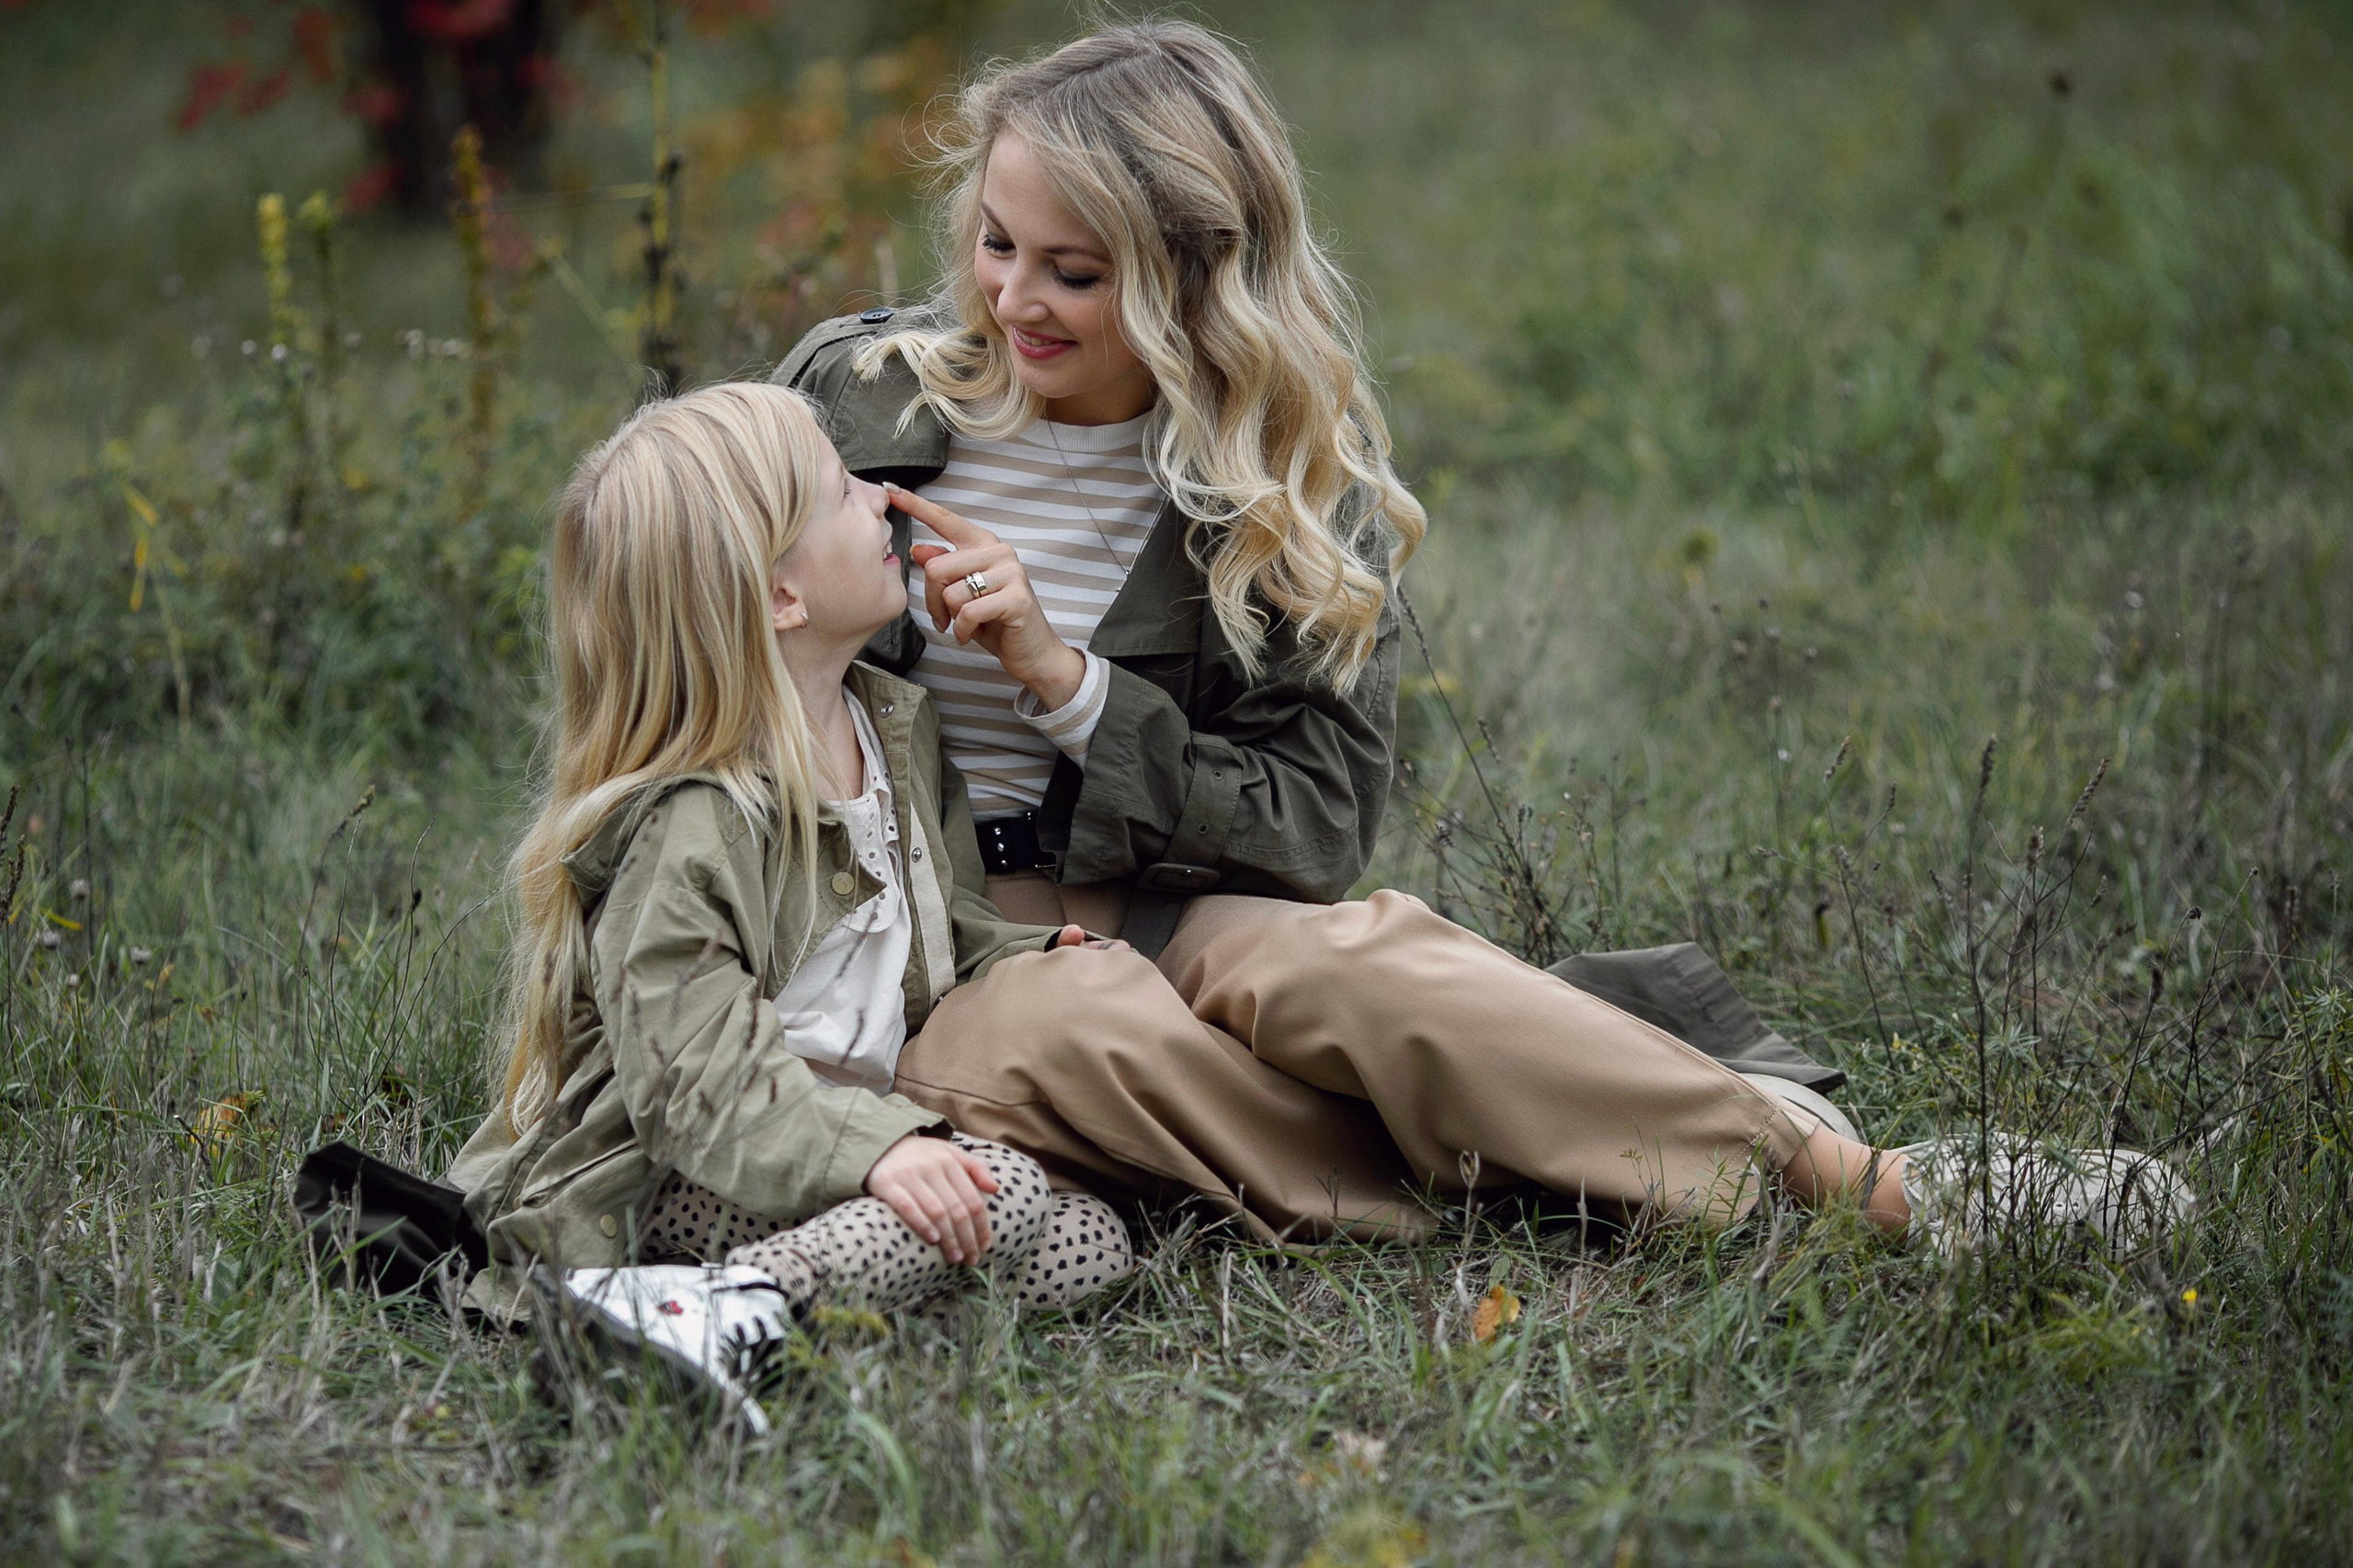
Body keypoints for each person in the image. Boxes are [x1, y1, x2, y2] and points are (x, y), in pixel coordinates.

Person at [768, 22, 2191, 1256]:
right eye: (995, 243)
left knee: (1358, 962)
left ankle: (1865, 1184)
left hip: (1159, 908)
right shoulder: (859, 401)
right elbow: (682, 633)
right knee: (1071, 1037)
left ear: (1191, 278)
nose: (1012, 299)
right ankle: (1556, 1156)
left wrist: (1071, 689)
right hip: (923, 939)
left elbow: (1318, 832)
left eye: (1073, 274)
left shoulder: (1287, 485)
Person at [444, 382, 1134, 1432]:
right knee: (997, 1187)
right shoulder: (699, 821)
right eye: (842, 487)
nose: (882, 498)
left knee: (1092, 1241)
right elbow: (695, 1085)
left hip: (833, 1146)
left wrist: (1036, 953)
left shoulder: (892, 730)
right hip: (679, 1171)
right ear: (779, 598)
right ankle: (712, 1302)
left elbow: (937, 920)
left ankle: (743, 1337)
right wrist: (880, 1154)